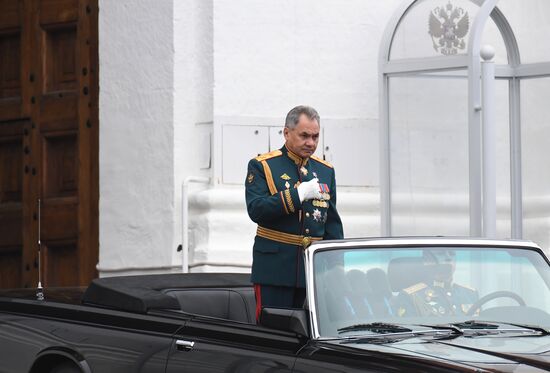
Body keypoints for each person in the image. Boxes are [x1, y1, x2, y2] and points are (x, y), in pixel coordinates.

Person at [245, 105, 344, 321]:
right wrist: (296, 196)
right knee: (274, 333)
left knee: (309, 334)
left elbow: (332, 223)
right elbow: (256, 209)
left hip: (312, 271)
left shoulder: (325, 170)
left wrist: (336, 266)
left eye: (316, 137)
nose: (311, 143)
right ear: (287, 133)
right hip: (275, 268)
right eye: (304, 136)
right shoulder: (263, 166)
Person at [393, 249, 478, 317]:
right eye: (440, 254)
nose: (448, 258)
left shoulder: (470, 294)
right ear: (427, 261)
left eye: (452, 254)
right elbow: (410, 335)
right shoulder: (411, 296)